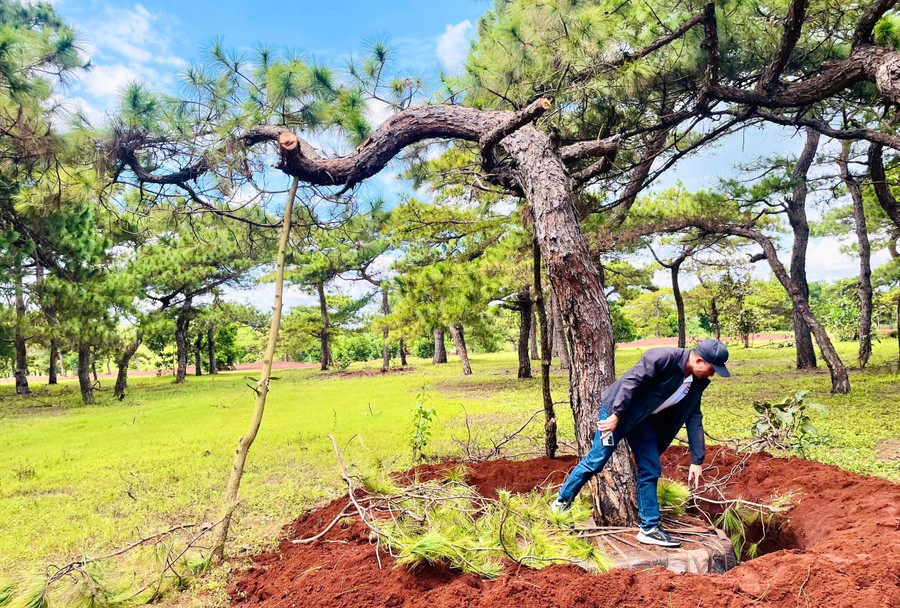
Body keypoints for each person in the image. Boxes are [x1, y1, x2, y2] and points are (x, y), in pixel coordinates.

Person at [551, 338, 731, 548]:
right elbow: (631, 382)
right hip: (618, 412)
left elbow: (694, 416)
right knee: (597, 461)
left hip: (643, 419)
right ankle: (561, 503)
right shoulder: (662, 358)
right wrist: (617, 415)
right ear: (700, 360)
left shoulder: (697, 381)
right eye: (713, 369)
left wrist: (697, 459)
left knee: (650, 468)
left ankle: (650, 529)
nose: (713, 374)